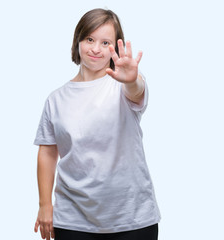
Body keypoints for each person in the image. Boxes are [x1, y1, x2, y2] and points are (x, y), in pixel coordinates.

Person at [33, 8, 161, 240]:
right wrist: (45, 205)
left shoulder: (122, 85)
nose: (95, 48)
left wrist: (132, 80)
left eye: (105, 43)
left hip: (132, 218)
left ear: (116, 47)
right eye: (89, 39)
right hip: (73, 220)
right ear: (78, 41)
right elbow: (48, 152)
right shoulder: (55, 99)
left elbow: (137, 91)